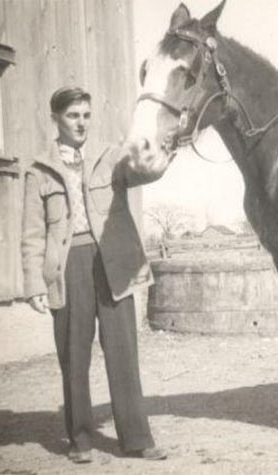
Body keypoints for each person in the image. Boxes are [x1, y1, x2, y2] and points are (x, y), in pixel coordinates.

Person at [21, 86, 170, 464]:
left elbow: (145, 169)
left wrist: (167, 142)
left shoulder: (111, 156)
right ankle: (81, 439)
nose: (81, 122)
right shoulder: (38, 171)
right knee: (73, 353)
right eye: (73, 116)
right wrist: (34, 283)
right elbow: (32, 234)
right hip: (68, 264)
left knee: (123, 350)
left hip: (114, 260)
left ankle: (137, 438)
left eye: (86, 115)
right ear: (55, 118)